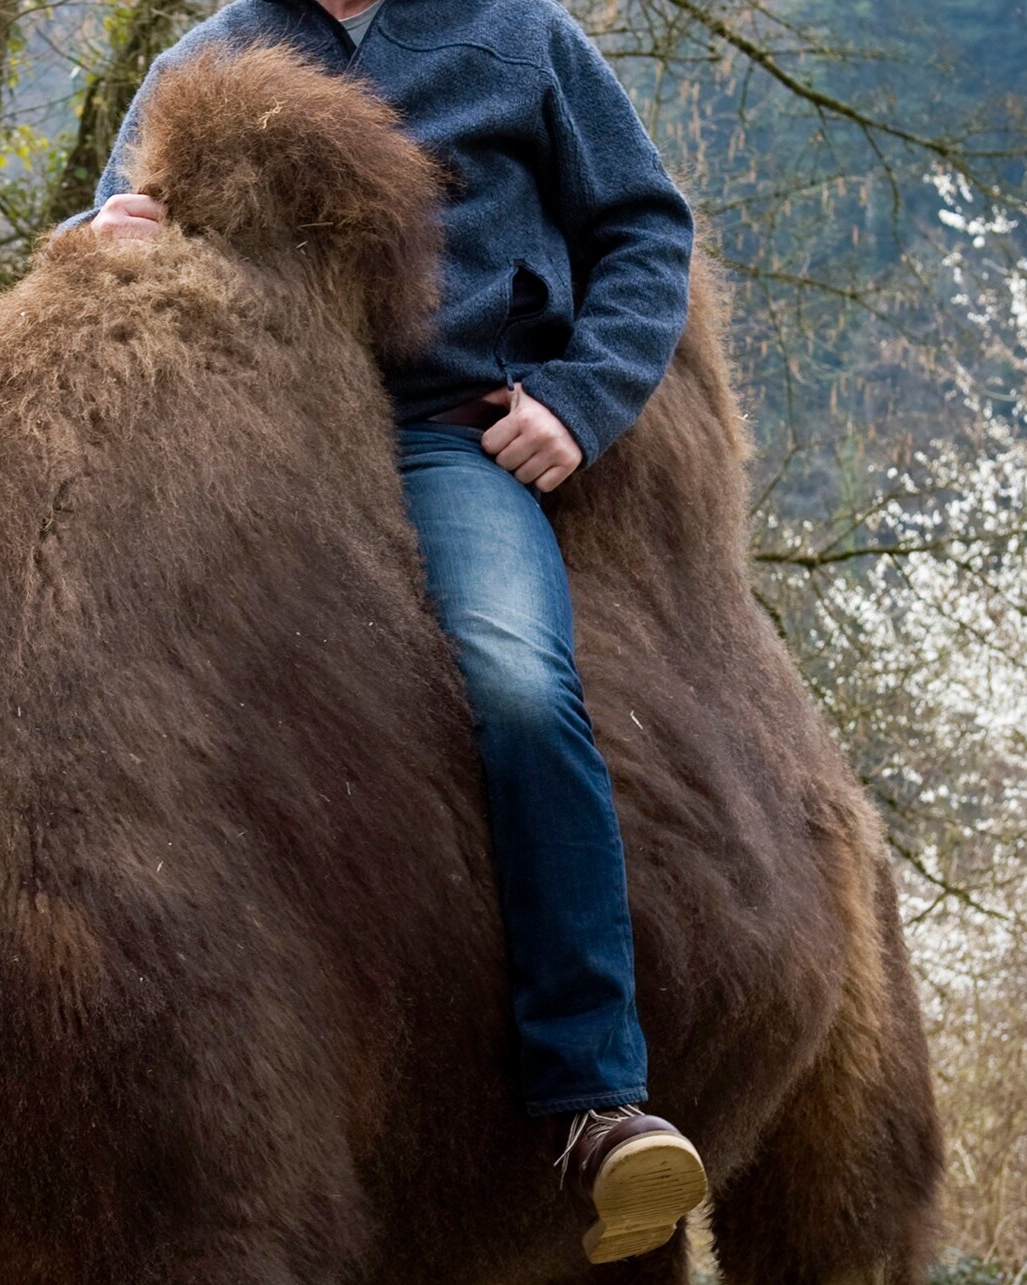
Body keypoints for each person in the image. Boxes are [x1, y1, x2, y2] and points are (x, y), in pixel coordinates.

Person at [67, 0, 707, 1264]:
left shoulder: (517, 36)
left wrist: (579, 401)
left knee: (521, 690)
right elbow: (103, 234)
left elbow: (644, 229)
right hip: (230, 450)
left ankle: (595, 1102)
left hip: (441, 440)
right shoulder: (201, 59)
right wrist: (100, 236)